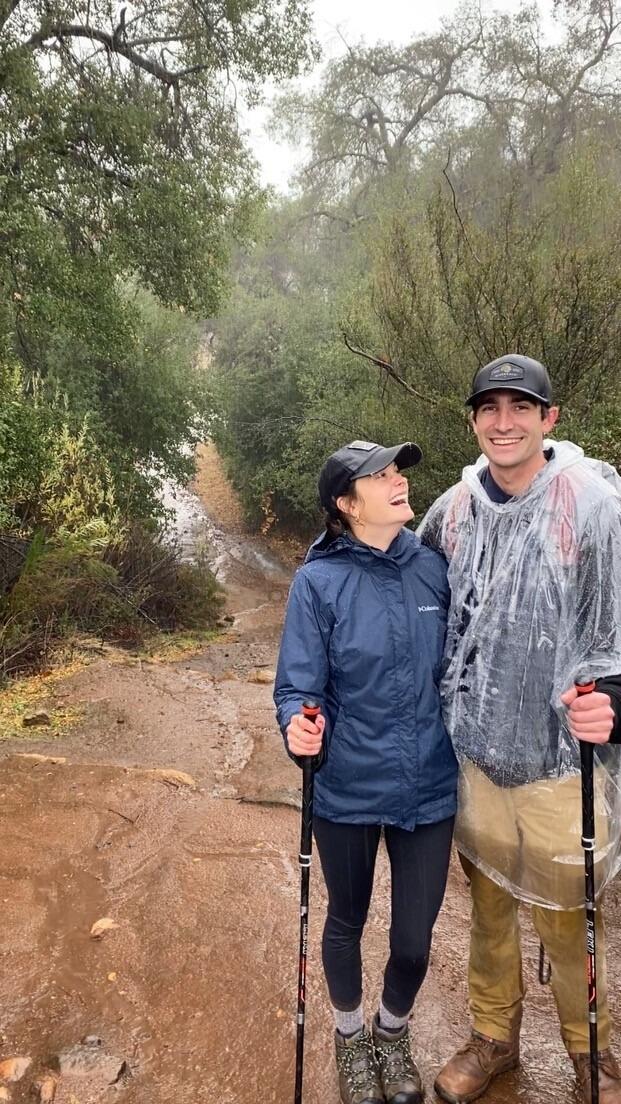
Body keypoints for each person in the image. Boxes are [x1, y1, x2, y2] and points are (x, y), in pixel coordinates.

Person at [417, 354, 621, 1104]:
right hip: (475, 755)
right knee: (489, 909)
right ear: (472, 421)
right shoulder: (453, 511)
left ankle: (587, 1053)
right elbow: (416, 612)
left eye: (520, 407)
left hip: (559, 761)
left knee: (568, 921)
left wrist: (616, 705)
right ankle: (493, 1039)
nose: (503, 422)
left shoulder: (591, 508)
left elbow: (612, 634)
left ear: (548, 419)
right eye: (488, 408)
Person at [274, 440, 458, 1104]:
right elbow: (295, 687)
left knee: (413, 939)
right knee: (345, 921)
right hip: (346, 787)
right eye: (376, 477)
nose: (395, 482)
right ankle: (351, 1039)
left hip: (428, 787)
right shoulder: (317, 582)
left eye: (396, 471)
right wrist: (298, 722)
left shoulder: (434, 567)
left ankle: (392, 1031)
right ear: (346, 505)